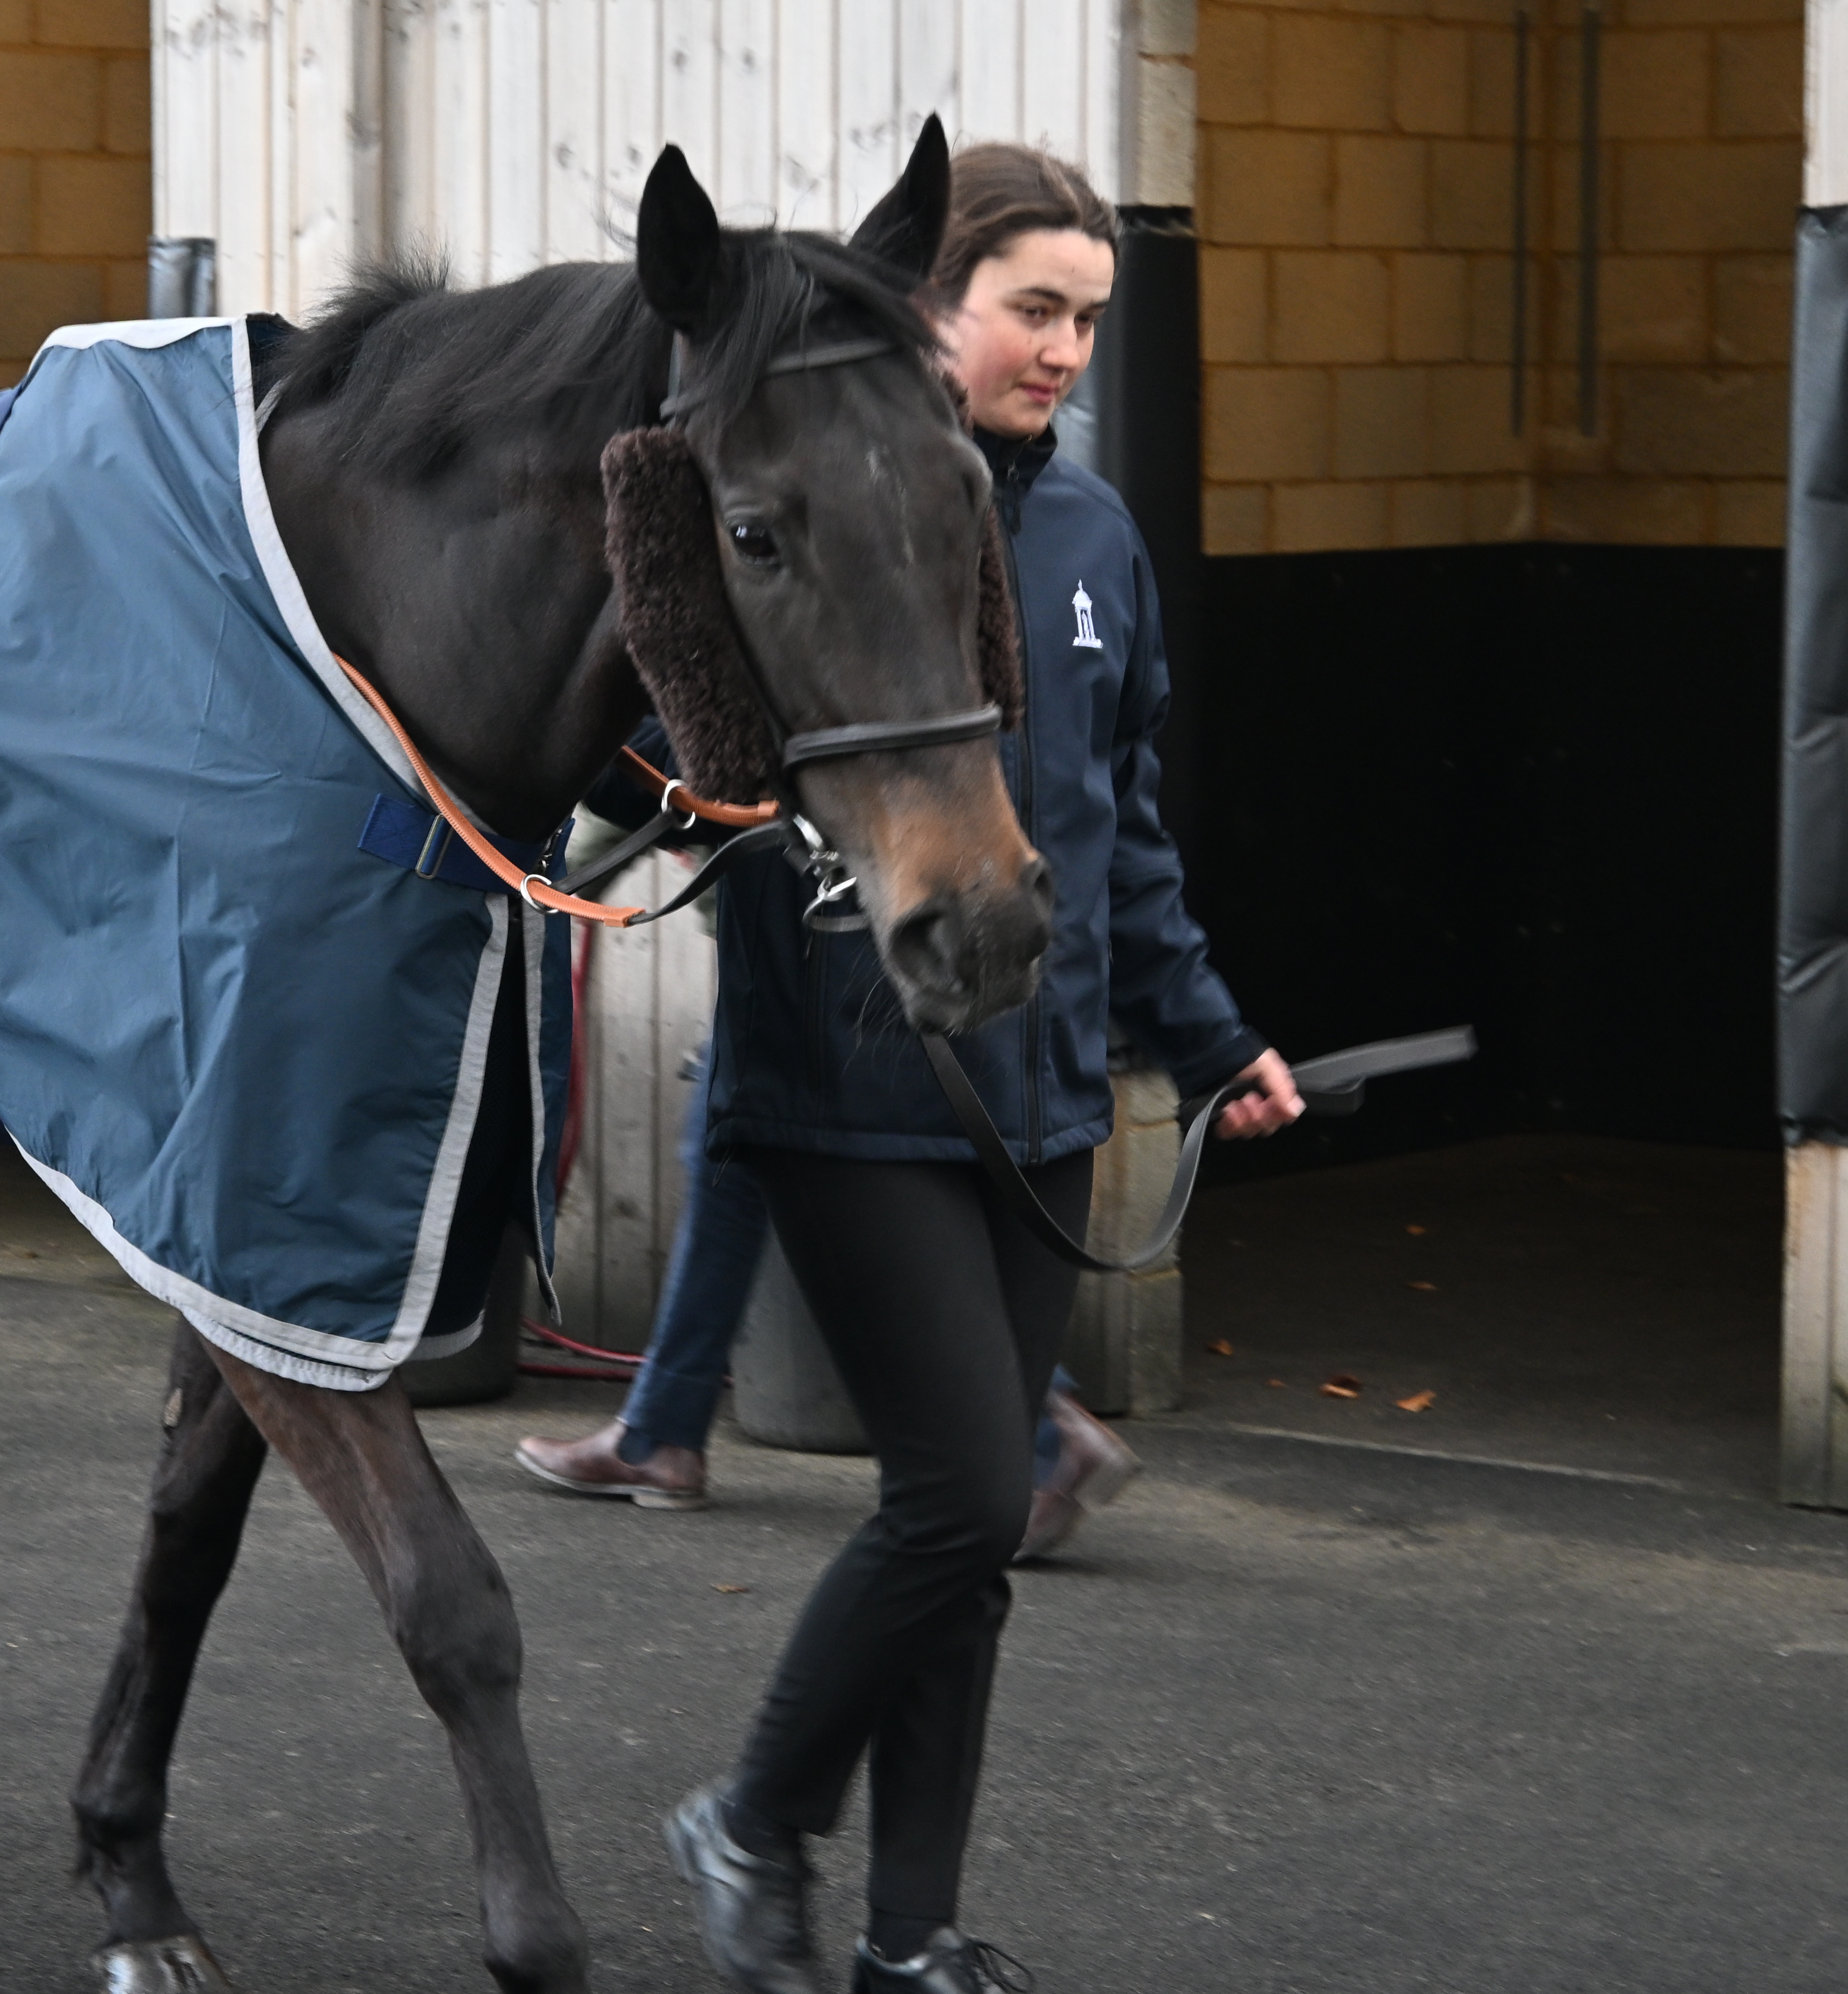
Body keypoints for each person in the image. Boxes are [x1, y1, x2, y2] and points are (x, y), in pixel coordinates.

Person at [655, 146, 1303, 1994]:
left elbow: (1120, 825)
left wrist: (1210, 1035)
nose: (1064, 350)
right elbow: (673, 775)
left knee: (968, 1538)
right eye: (1030, 308)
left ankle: (909, 1935)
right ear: (924, 308)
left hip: (1045, 1091)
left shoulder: (1092, 537)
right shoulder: (795, 507)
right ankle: (752, 1816)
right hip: (846, 1092)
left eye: (1086, 318)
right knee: (955, 1494)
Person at [511, 1025, 1141, 1561]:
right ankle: (661, 1430)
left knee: (775, 1144)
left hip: (831, 961)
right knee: (735, 1136)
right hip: (849, 972)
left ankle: (1046, 1432)